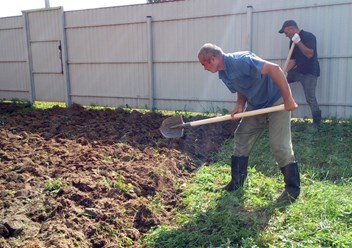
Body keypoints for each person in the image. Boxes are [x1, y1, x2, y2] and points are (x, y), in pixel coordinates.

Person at [197, 43, 300, 201]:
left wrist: (288, 99)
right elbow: (242, 87)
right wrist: (239, 105)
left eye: (204, 64)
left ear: (213, 59)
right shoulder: (223, 73)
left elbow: (275, 69)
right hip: (256, 105)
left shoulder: (241, 61)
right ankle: (236, 182)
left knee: (279, 144)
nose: (203, 68)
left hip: (276, 102)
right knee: (242, 135)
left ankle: (292, 189)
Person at [279, 20, 322, 128]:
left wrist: (298, 42)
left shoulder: (309, 37)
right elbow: (292, 61)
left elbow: (309, 54)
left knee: (310, 97)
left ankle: (317, 122)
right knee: (279, 84)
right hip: (297, 71)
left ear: (292, 29)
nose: (285, 35)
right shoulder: (291, 41)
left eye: (286, 32)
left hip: (310, 72)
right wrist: (282, 72)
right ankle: (277, 114)